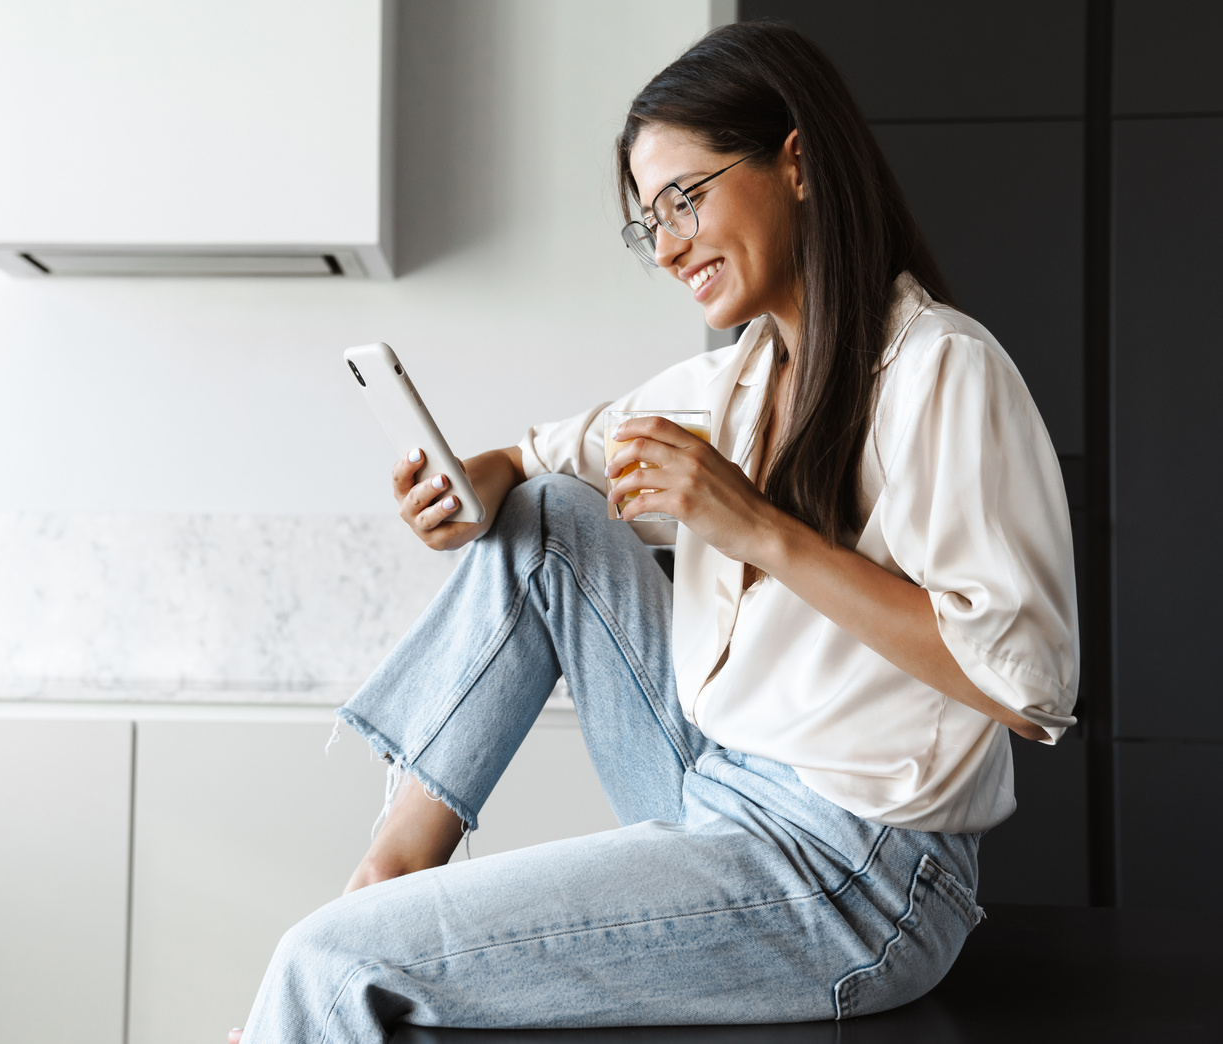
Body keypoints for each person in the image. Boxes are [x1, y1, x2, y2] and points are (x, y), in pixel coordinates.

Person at [230, 19, 1078, 1042]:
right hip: (715, 785)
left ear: (797, 163)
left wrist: (756, 527)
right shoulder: (735, 383)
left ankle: (353, 937)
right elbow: (540, 459)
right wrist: (470, 489)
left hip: (857, 872)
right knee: (548, 514)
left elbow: (1027, 687)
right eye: (650, 222)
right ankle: (392, 863)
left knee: (328, 961)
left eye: (685, 199)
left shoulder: (939, 370)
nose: (669, 246)